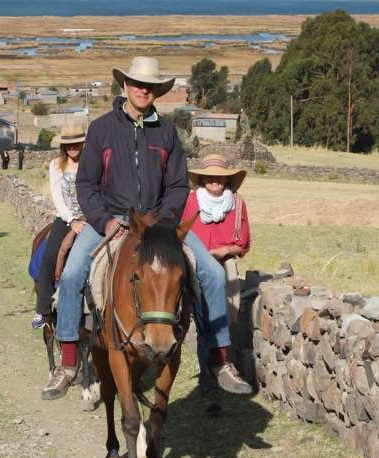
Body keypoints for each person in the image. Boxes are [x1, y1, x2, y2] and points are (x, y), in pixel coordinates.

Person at [41, 57, 252, 400]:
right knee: (72, 272)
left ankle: (219, 360)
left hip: (160, 224)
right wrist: (105, 220)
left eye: (149, 86)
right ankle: (67, 363)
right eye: (137, 84)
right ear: (124, 86)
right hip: (109, 220)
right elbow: (87, 185)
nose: (143, 90)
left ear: (156, 91)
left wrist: (162, 221)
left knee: (212, 273)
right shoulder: (102, 129)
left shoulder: (166, 132)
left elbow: (179, 186)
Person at [181, 154, 250, 393]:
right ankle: (209, 381)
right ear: (202, 178)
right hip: (196, 266)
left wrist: (225, 250)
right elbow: (180, 233)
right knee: (204, 323)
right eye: (210, 177)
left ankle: (217, 373)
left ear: (227, 181)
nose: (214, 182)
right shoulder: (190, 203)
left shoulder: (237, 204)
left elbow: (243, 243)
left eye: (220, 178)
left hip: (225, 266)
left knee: (222, 321)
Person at [31, 123, 87, 330]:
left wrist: (90, 217)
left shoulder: (91, 163)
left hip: (91, 217)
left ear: (82, 143)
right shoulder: (56, 165)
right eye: (68, 145)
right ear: (63, 146)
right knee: (49, 255)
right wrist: (72, 220)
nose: (72, 148)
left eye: (76, 144)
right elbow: (57, 196)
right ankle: (43, 308)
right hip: (66, 218)